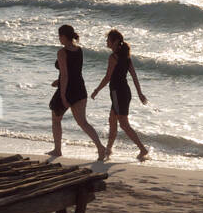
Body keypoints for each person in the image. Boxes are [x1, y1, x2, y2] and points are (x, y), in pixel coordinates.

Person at [47, 24, 107, 159]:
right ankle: (100, 147)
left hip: (67, 90)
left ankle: (57, 150)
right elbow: (74, 71)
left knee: (56, 120)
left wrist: (62, 95)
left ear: (63, 36)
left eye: (59, 36)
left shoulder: (62, 52)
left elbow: (66, 75)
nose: (59, 39)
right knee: (83, 122)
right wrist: (58, 81)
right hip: (80, 88)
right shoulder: (79, 50)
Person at [91, 28, 150, 161]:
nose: (107, 42)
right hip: (124, 92)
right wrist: (139, 93)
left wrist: (96, 90)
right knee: (112, 120)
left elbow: (107, 78)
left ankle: (142, 149)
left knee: (123, 124)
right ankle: (109, 149)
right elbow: (134, 76)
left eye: (108, 40)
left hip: (118, 93)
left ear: (115, 42)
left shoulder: (114, 57)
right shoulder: (126, 57)